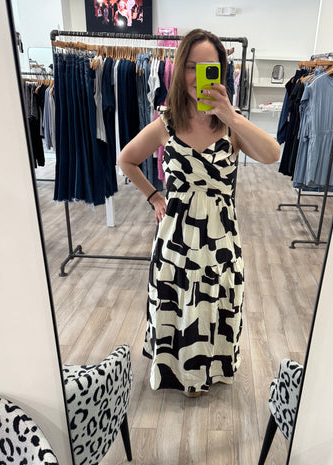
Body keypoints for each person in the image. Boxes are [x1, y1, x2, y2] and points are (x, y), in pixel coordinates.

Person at [118, 29, 280, 397]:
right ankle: (177, 370)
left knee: (216, 299)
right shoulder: (166, 123)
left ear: (220, 72)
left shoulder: (232, 127)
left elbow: (272, 154)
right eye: (190, 66)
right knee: (176, 299)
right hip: (176, 236)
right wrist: (153, 196)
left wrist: (230, 115)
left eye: (208, 68)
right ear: (179, 69)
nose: (197, 76)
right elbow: (126, 159)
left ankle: (209, 368)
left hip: (220, 236)